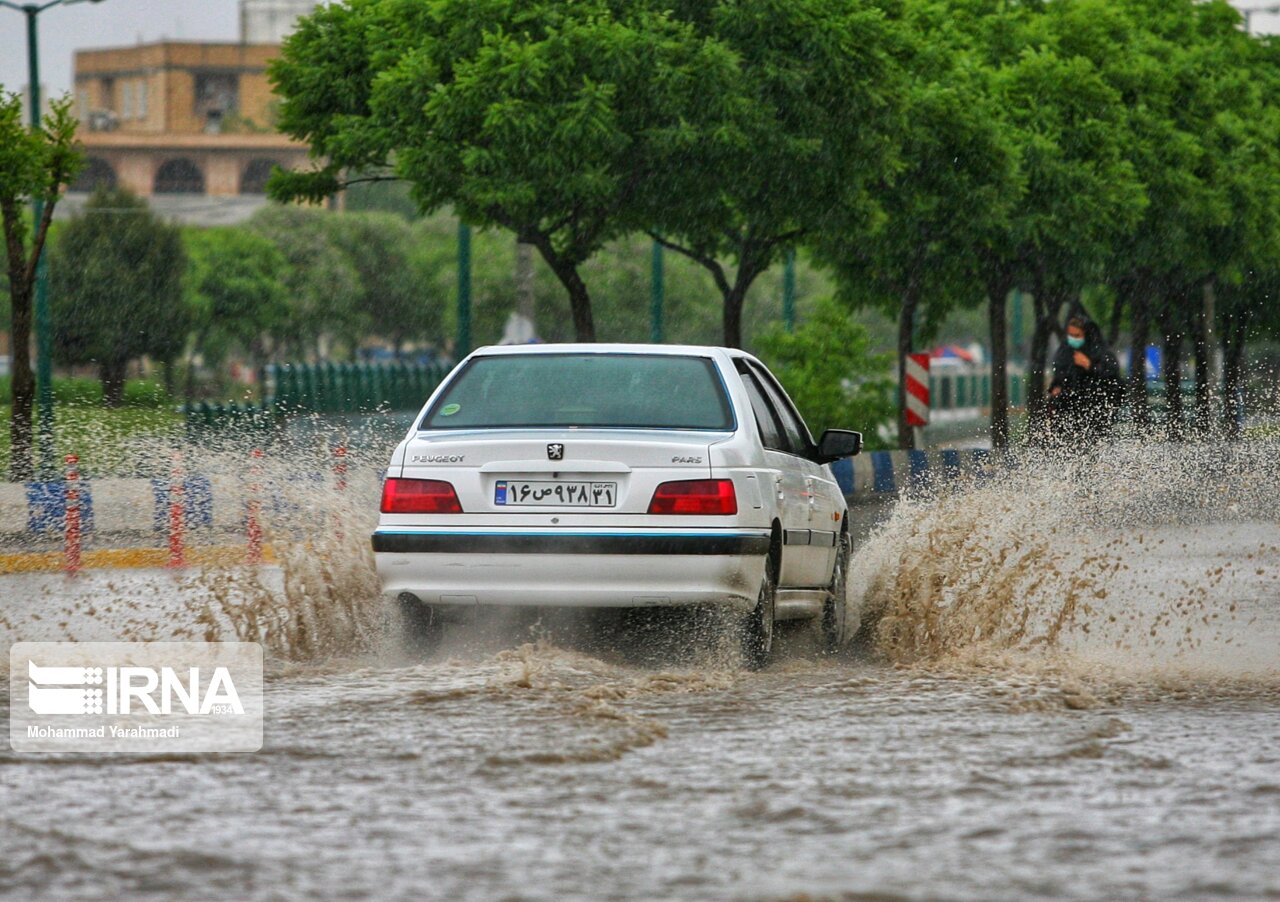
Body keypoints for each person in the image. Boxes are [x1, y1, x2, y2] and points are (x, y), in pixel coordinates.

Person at [1046, 315, 1123, 442]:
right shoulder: (1065, 351)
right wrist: (1056, 387)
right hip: (1068, 408)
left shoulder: (1101, 352)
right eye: (1070, 335)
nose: (1073, 339)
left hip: (1094, 409)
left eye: (1077, 336)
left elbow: (1112, 377)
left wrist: (1090, 366)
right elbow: (1060, 374)